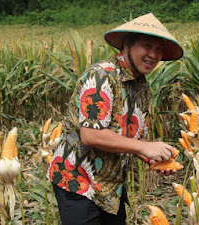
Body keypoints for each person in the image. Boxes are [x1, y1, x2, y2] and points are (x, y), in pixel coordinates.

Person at [48, 13, 184, 225]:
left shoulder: (142, 87)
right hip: (79, 181)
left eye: (158, 49)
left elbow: (129, 139)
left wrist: (152, 159)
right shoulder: (101, 76)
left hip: (112, 186)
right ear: (127, 45)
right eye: (147, 46)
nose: (153, 55)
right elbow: (91, 135)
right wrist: (144, 148)